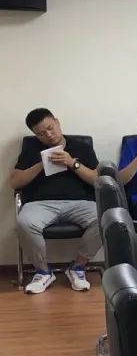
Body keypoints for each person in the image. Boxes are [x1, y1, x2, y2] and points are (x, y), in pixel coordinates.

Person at [10, 108, 100, 294]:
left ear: (57, 122)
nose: (49, 135)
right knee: (23, 222)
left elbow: (97, 180)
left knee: (105, 218)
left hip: (80, 202)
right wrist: (40, 165)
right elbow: (15, 182)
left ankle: (77, 268)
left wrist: (72, 163)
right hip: (40, 204)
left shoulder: (81, 147)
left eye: (50, 128)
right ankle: (43, 272)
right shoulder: (31, 148)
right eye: (41, 134)